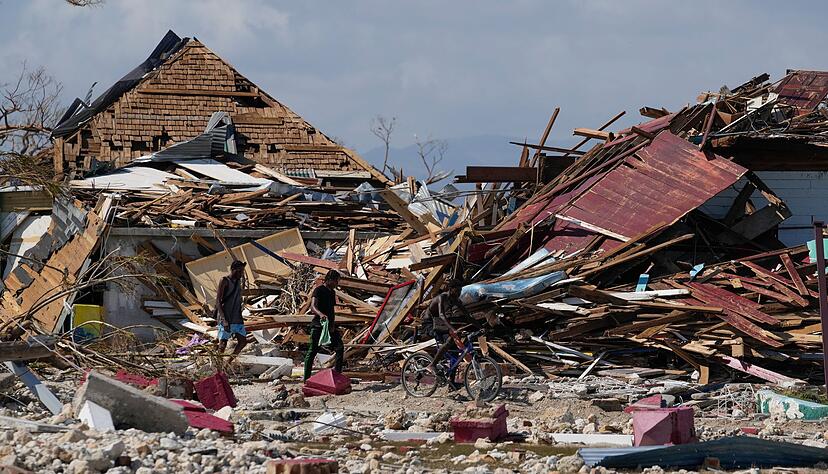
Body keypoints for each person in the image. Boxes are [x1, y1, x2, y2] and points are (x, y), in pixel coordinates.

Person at [425, 278, 477, 372]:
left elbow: (467, 315)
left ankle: (451, 381)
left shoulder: (455, 300)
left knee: (454, 352)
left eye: (460, 291)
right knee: (449, 340)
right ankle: (432, 364)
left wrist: (480, 327)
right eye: (457, 290)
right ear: (451, 289)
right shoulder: (442, 297)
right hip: (430, 322)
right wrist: (452, 329)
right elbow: (441, 315)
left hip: (440, 322)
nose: (459, 293)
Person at [303, 270, 345, 380]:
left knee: (340, 348)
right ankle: (306, 378)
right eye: (336, 281)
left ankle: (337, 375)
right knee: (312, 351)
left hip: (329, 326)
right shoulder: (319, 290)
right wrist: (321, 314)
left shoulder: (332, 292)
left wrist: (332, 325)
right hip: (318, 325)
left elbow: (331, 310)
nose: (337, 284)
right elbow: (313, 307)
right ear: (330, 280)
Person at [216, 260, 247, 355]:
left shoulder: (238, 282)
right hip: (226, 316)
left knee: (242, 342)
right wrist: (224, 319)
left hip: (236, 317)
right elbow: (218, 301)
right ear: (232, 269)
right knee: (223, 343)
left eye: (241, 272)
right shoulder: (225, 281)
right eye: (238, 271)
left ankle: (228, 363)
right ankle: (219, 366)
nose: (240, 274)